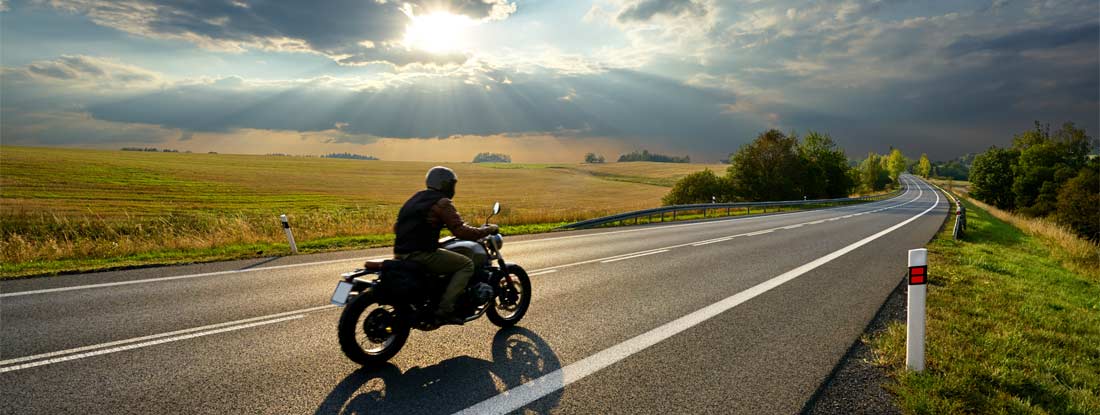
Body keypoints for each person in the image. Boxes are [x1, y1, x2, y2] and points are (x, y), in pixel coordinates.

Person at [391, 166, 498, 325]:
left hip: (400, 253)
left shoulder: (416, 198)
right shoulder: (442, 202)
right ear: (444, 184)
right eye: (451, 184)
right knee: (466, 265)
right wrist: (487, 230)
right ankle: (445, 310)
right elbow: (460, 231)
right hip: (421, 254)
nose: (453, 188)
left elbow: (397, 227)